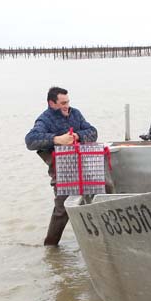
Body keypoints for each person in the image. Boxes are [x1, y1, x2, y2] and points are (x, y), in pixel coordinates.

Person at [25, 86, 97, 245]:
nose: (67, 106)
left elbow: (93, 132)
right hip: (60, 171)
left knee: (93, 199)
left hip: (83, 165)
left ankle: (93, 240)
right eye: (63, 103)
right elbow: (30, 140)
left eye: (68, 102)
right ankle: (50, 247)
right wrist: (57, 139)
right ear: (52, 103)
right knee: (62, 209)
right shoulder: (44, 120)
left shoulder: (75, 114)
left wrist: (78, 135)